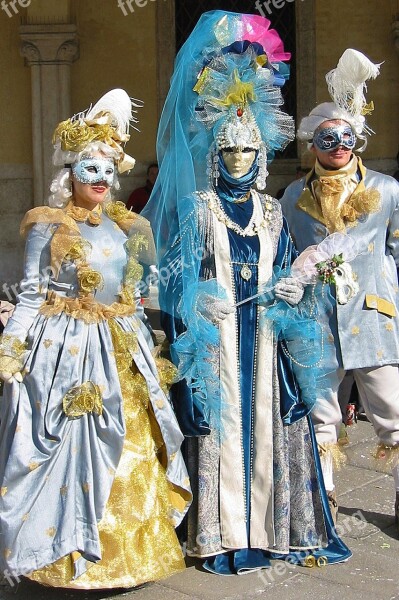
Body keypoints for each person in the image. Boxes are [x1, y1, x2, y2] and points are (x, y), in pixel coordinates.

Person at [143, 11, 351, 575]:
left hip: (264, 339)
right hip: (217, 342)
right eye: (229, 151)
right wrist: (194, 300)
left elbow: (288, 268)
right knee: (217, 424)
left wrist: (290, 286)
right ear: (217, 153)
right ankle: (219, 535)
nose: (238, 159)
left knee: (274, 419)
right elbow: (174, 273)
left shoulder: (273, 212)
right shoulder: (199, 208)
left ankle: (269, 530)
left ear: (261, 154)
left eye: (248, 150)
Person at [0, 89, 191, 589]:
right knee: (67, 446)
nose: (102, 180)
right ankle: (63, 560)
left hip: (121, 345)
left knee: (132, 444)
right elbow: (29, 293)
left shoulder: (131, 226)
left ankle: (123, 561)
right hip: (67, 352)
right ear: (70, 173)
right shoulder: (48, 225)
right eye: (91, 169)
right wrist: (12, 348)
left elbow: (143, 287)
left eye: (109, 170)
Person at [280, 49, 399, 527]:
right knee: (321, 417)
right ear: (313, 144)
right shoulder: (292, 197)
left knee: (393, 411)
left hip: (373, 318)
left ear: (358, 141)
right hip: (317, 323)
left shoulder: (388, 190)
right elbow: (288, 256)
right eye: (328, 138)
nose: (339, 146)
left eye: (346, 137)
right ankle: (323, 501)